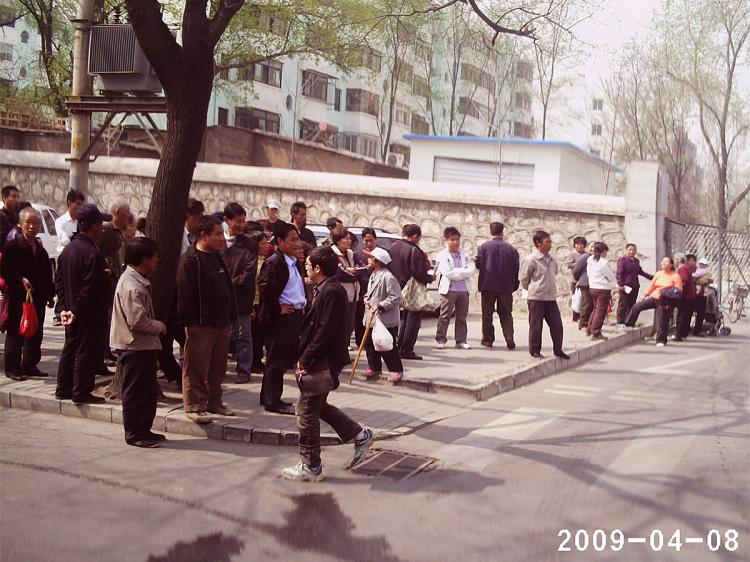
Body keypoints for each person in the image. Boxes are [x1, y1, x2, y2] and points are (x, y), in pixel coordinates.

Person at [282, 245, 374, 482]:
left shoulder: (331, 291)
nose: (305, 268)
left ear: (318, 268)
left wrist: (306, 359)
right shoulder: (326, 288)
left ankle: (310, 464)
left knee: (306, 412)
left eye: (308, 265)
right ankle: (360, 435)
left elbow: (324, 330)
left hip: (323, 361)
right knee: (317, 406)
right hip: (322, 358)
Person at [176, 215, 237, 423]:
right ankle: (194, 405)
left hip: (221, 323)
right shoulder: (190, 261)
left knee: (218, 367)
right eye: (218, 234)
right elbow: (184, 296)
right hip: (200, 325)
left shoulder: (218, 257)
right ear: (203, 236)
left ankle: (214, 402)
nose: (222, 238)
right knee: (196, 366)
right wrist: (190, 323)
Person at [110, 238, 167, 448]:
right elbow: (137, 321)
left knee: (145, 391)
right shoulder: (132, 286)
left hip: (142, 345)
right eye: (155, 257)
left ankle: (144, 429)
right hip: (135, 346)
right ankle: (134, 433)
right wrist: (159, 326)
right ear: (144, 259)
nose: (157, 261)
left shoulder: (138, 280)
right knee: (135, 392)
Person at [55, 204, 111, 404]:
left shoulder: (68, 250)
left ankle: (63, 388)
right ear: (93, 226)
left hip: (71, 309)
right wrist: (75, 311)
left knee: (70, 348)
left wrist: (64, 308)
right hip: (87, 312)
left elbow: (59, 282)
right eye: (100, 224)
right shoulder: (92, 254)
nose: (103, 228)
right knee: (84, 352)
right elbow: (90, 288)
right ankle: (80, 391)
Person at [257, 222, 306, 415]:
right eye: (292, 240)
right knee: (276, 360)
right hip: (282, 319)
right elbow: (265, 288)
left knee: (280, 359)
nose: (297, 243)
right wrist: (278, 308)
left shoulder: (292, 262)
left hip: (294, 316)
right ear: (280, 241)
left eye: (297, 239)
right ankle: (272, 400)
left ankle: (269, 395)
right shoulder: (275, 262)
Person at [1, 207, 54, 381]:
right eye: (28, 223)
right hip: (18, 297)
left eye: (35, 223)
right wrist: (20, 279)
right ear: (20, 224)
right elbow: (5, 270)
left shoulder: (39, 247)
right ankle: (12, 368)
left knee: (35, 331)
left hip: (37, 297)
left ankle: (29, 365)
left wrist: (49, 295)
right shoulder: (13, 246)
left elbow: (47, 273)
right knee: (16, 333)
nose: (32, 226)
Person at [519, 230, 570, 360]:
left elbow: (555, 273)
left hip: (551, 298)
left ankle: (558, 350)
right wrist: (533, 289)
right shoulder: (531, 260)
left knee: (557, 325)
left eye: (550, 242)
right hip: (536, 298)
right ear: (538, 243)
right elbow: (524, 279)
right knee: (536, 326)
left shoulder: (552, 260)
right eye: (547, 242)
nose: (550, 245)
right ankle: (535, 350)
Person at [223, 202, 257, 384]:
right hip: (221, 298)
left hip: (242, 298)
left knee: (244, 335)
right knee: (223, 335)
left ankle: (244, 370)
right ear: (227, 220)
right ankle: (220, 369)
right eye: (238, 221)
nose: (242, 225)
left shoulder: (249, 244)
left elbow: (249, 273)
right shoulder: (219, 242)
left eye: (244, 221)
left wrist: (228, 283)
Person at [389, 224, 433, 360]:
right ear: (415, 236)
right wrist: (430, 277)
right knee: (413, 321)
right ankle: (407, 350)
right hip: (412, 289)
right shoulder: (414, 250)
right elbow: (419, 273)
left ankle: (400, 346)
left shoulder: (393, 247)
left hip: (397, 286)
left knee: (404, 320)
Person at [362, 247, 404, 382]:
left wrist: (381, 306)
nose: (368, 260)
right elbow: (372, 293)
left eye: (370, 257)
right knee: (369, 344)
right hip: (371, 317)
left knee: (387, 345)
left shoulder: (388, 277)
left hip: (385, 319)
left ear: (377, 261)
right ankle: (374, 368)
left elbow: (396, 297)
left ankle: (396, 370)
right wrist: (366, 298)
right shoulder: (373, 275)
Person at [475, 221, 519, 349]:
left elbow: (478, 264)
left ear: (490, 232)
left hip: (487, 285)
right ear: (502, 232)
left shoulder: (483, 247)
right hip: (506, 287)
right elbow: (516, 268)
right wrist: (514, 285)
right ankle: (509, 336)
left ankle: (488, 339)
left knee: (487, 314)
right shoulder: (511, 249)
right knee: (506, 313)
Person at [624, 256, 682, 347]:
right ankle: (628, 324)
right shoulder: (658, 274)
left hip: (666, 300)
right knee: (637, 306)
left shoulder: (675, 276)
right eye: (662, 261)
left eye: (666, 262)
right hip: (655, 298)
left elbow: (678, 290)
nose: (663, 263)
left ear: (671, 265)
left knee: (662, 320)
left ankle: (661, 340)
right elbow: (652, 285)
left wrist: (666, 291)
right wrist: (645, 295)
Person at [435, 226, 475, 350]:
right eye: (452, 239)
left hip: (463, 290)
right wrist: (462, 272)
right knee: (445, 316)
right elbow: (447, 273)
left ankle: (461, 340)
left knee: (462, 317)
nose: (455, 242)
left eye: (457, 239)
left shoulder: (465, 254)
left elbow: (471, 270)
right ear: (446, 240)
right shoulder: (442, 255)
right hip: (449, 289)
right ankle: (440, 339)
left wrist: (457, 272)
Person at [53, 189, 85, 325]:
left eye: (81, 204)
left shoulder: (81, 222)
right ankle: (59, 311)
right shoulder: (61, 221)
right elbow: (64, 240)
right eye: (77, 203)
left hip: (78, 258)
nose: (79, 207)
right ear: (69, 203)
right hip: (65, 257)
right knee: (63, 285)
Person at [331, 229, 359, 348]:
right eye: (346, 239)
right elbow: (339, 274)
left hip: (353, 294)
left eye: (349, 238)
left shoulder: (350, 253)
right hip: (341, 294)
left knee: (349, 325)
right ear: (337, 241)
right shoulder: (332, 254)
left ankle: (344, 350)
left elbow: (358, 270)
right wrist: (352, 273)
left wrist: (352, 272)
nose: (349, 241)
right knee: (339, 325)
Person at [248, 229, 270, 374]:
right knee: (255, 336)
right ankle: (254, 362)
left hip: (262, 303)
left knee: (260, 335)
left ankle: (257, 360)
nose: (267, 246)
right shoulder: (253, 263)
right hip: (255, 304)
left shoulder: (264, 261)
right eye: (263, 243)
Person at [615, 243, 652, 325]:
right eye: (630, 250)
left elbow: (641, 272)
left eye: (633, 250)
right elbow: (619, 273)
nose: (631, 252)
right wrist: (621, 284)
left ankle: (629, 321)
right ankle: (620, 321)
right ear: (626, 250)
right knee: (623, 304)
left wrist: (653, 277)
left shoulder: (636, 261)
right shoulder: (622, 260)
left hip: (635, 286)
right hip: (625, 286)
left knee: (631, 304)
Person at [353, 227, 379, 346]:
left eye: (371, 240)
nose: (369, 243)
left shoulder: (381, 255)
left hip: (377, 291)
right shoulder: (357, 255)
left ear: (375, 239)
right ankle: (361, 342)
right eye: (366, 240)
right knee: (360, 318)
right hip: (361, 290)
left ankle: (374, 340)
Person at [586, 242, 616, 340]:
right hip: (602, 289)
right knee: (601, 311)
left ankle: (589, 328)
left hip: (592, 287)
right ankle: (596, 332)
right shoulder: (603, 263)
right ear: (603, 252)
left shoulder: (590, 260)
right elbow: (611, 277)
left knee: (595, 309)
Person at [572, 242, 595, 334]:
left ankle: (588, 323)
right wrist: (580, 279)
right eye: (591, 247)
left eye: (595, 247)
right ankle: (583, 324)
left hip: (593, 283)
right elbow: (576, 270)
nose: (593, 249)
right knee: (587, 304)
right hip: (585, 283)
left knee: (590, 304)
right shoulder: (585, 257)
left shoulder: (596, 258)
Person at [673, 253, 697, 341]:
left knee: (681, 315)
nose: (674, 261)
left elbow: (684, 280)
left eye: (675, 259)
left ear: (678, 260)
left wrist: (676, 287)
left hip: (685, 295)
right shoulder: (686, 268)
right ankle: (683, 334)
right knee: (686, 315)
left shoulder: (682, 268)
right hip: (690, 295)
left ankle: (679, 334)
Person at [563, 236, 587, 322]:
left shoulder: (586, 254)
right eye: (578, 244)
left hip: (584, 281)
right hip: (575, 281)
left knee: (584, 300)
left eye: (582, 244)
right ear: (575, 245)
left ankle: (583, 317)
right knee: (576, 298)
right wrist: (579, 263)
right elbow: (569, 265)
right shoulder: (572, 254)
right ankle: (575, 317)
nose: (580, 246)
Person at [692, 258, 713, 336]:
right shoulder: (694, 271)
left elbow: (708, 280)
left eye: (704, 264)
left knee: (700, 313)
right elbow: (694, 279)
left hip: (702, 295)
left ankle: (697, 330)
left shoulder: (707, 272)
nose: (702, 265)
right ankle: (687, 329)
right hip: (693, 294)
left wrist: (704, 281)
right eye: (701, 264)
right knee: (689, 312)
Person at [0, 184, 21, 253]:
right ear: (4, 198)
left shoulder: (19, 215)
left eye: (18, 197)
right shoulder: (1, 216)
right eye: (14, 197)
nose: (17, 200)